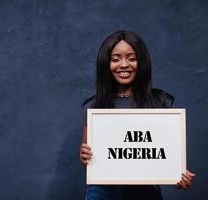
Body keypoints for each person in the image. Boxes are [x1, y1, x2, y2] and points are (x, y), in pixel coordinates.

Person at [79, 30, 195, 200]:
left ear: (141, 63)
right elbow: (87, 155)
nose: (124, 64)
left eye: (131, 58)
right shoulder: (94, 106)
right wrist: (84, 155)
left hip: (145, 192)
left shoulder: (159, 101)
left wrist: (177, 173)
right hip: (103, 192)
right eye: (116, 59)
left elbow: (167, 152)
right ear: (106, 63)